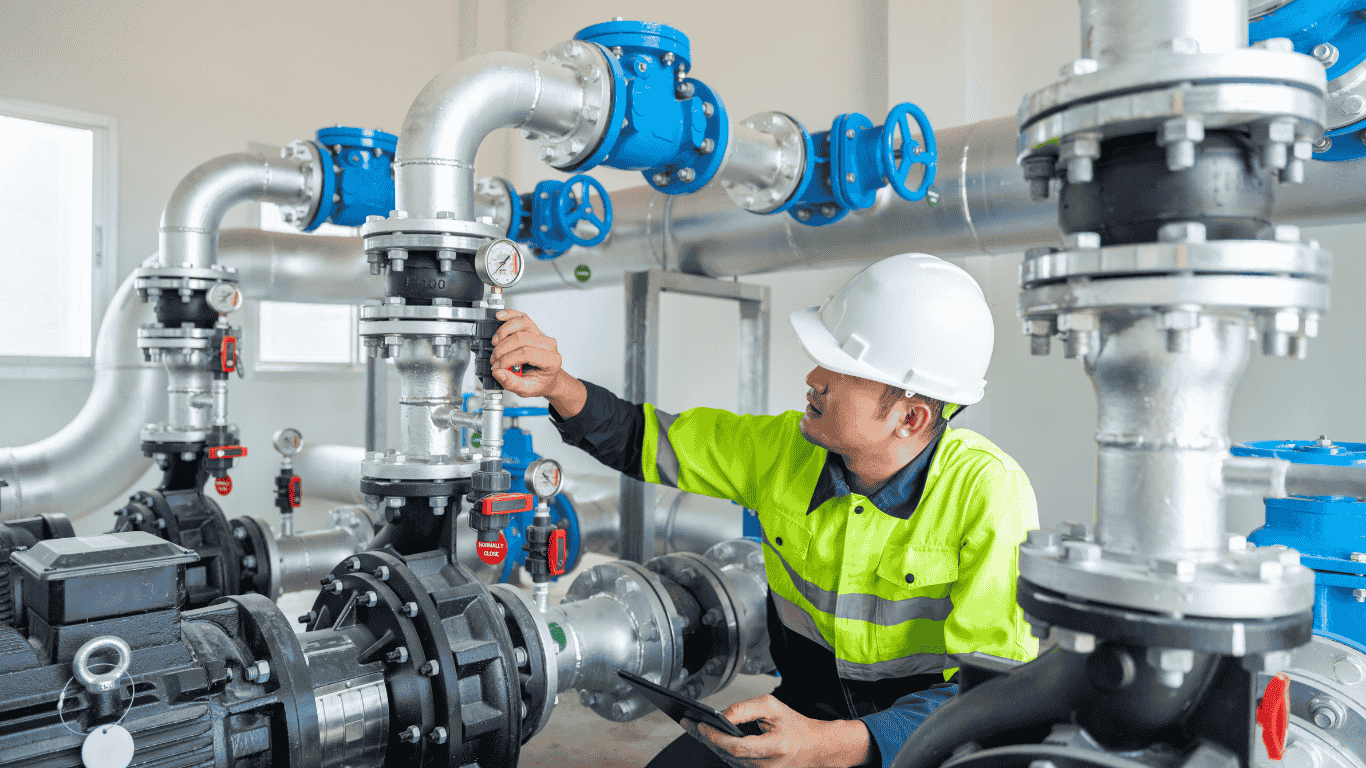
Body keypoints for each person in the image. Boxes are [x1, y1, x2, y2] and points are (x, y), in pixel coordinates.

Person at [490, 253, 1039, 768]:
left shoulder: (988, 495)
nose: (813, 380)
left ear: (911, 418)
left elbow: (990, 697)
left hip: (918, 742)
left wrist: (834, 746)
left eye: (841, 371)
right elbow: (643, 438)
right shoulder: (785, 451)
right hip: (802, 711)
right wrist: (557, 385)